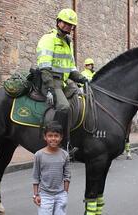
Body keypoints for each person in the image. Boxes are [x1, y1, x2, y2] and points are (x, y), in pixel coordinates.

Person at [36, 8, 88, 151]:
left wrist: (83, 79)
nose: (67, 26)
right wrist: (50, 88)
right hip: (50, 81)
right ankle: (57, 141)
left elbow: (70, 68)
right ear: (58, 22)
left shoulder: (67, 43)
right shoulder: (48, 39)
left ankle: (76, 136)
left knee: (81, 98)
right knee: (64, 106)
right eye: (65, 23)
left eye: (70, 25)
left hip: (64, 82)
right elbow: (44, 67)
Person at [31, 121, 71, 215]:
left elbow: (67, 175)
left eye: (56, 136)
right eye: (50, 135)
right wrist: (35, 194)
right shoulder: (39, 155)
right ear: (45, 137)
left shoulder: (64, 155)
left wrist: (65, 192)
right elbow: (35, 176)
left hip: (60, 195)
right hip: (45, 195)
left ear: (61, 137)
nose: (53, 138)